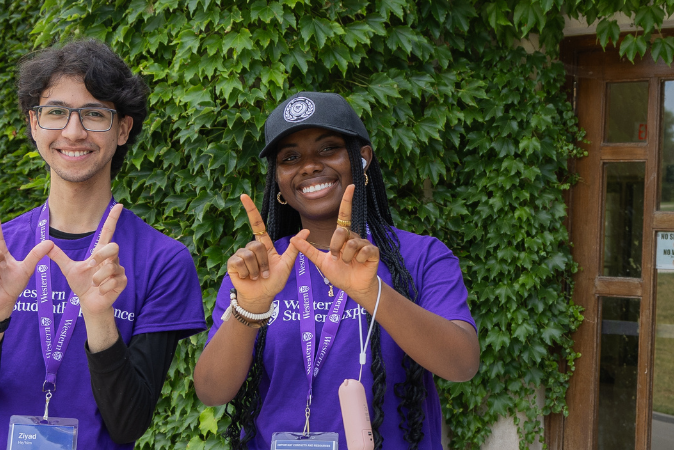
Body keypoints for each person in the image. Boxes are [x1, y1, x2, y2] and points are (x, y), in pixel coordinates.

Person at [0, 39, 205, 449]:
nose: (74, 131)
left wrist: (99, 317)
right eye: (56, 112)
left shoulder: (162, 261)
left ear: (122, 129)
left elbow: (129, 423)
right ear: (33, 123)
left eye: (95, 114)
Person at [193, 92, 481, 450]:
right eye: (290, 157)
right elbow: (211, 390)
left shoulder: (420, 256)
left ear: (361, 159)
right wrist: (250, 308)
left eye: (327, 148)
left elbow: (462, 364)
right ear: (278, 182)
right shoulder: (258, 271)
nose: (309, 166)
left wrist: (370, 293)